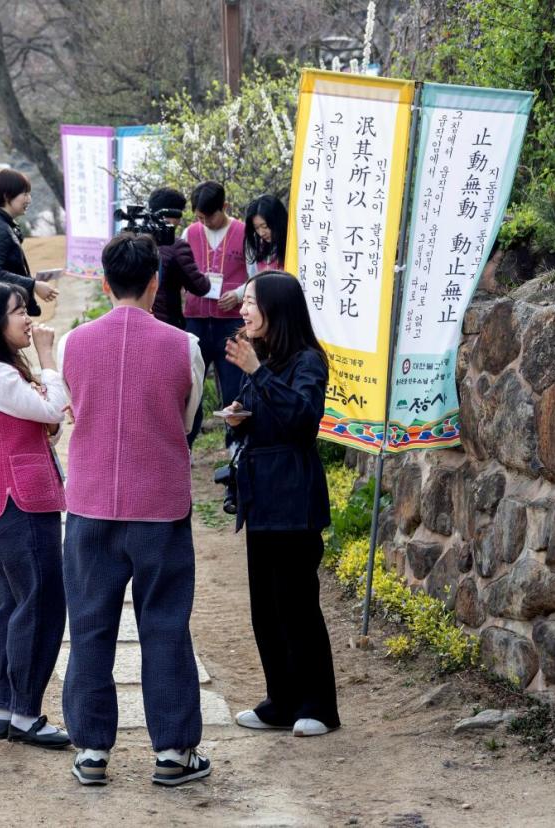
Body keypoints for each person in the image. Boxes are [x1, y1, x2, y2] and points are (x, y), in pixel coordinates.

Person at [58, 232, 208, 788]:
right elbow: (189, 416)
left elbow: (73, 403)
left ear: (104, 281)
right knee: (165, 626)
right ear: (156, 282)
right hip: (160, 505)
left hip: (92, 503)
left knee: (91, 625)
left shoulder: (73, 344)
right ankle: (173, 751)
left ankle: (92, 751)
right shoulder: (182, 345)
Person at [222, 273, 341, 738]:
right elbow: (265, 420)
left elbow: (302, 420)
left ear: (276, 308)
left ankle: (319, 706)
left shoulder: (307, 361)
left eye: (251, 302)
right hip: (262, 497)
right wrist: (237, 419)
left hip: (294, 496)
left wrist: (256, 372)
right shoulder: (267, 359)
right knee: (266, 607)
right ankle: (282, 700)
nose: (243, 310)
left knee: (297, 604)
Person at [0, 281, 70, 750]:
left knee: (14, 607)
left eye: (25, 309)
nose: (27, 318)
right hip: (20, 503)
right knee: (41, 607)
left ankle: (9, 709)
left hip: (7, 505)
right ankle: (25, 713)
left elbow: (44, 420)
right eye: (17, 311)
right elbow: (54, 409)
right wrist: (48, 357)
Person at [183, 180, 249, 445]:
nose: (205, 222)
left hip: (231, 322)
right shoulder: (189, 233)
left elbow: (258, 275)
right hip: (196, 321)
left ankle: (236, 448)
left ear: (225, 207)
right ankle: (185, 446)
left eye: (210, 216)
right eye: (200, 217)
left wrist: (240, 294)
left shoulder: (244, 233)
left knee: (234, 388)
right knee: (190, 388)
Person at [0, 169, 58, 316]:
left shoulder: (1, 224)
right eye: (24, 194)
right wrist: (34, 285)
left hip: (3, 307)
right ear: (7, 196)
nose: (29, 199)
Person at [145, 187, 210, 329]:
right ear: (175, 215)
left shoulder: (131, 241)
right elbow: (200, 287)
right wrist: (208, 278)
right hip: (165, 325)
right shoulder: (176, 246)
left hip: (133, 322)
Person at [243, 194, 288, 276]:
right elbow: (253, 281)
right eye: (256, 228)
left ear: (278, 221)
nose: (261, 233)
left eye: (265, 226)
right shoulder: (258, 247)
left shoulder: (292, 246)